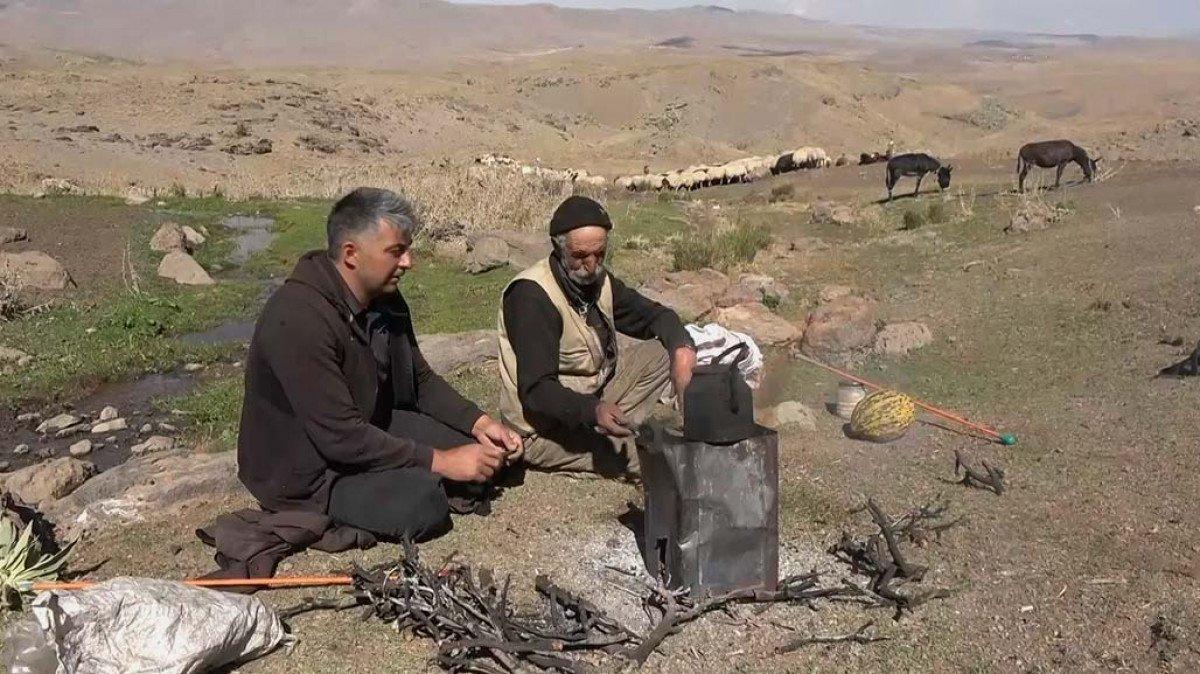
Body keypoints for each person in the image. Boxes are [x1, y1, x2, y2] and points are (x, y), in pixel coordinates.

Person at [236, 186, 521, 545]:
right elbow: (340, 437)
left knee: (486, 457)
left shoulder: (385, 296)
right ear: (351, 254)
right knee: (423, 503)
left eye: (407, 250)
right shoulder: (298, 318)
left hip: (368, 424)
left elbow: (420, 380)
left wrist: (480, 422)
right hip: (308, 469)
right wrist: (443, 462)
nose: (408, 263)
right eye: (396, 252)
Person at [498, 195, 696, 477]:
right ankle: (612, 435)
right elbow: (537, 392)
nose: (591, 265)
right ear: (559, 247)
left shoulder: (598, 281)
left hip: (592, 398)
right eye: (580, 256)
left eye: (599, 254)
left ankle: (616, 426)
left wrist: (682, 349)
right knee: (653, 457)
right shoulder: (532, 297)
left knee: (663, 351)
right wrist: (593, 411)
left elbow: (655, 316)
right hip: (542, 428)